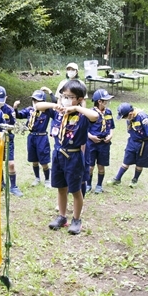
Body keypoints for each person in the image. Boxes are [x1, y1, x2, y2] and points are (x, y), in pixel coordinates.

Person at [35, 80, 98, 235]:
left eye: (70, 97)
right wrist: (54, 105)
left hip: (74, 156)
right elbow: (37, 106)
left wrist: (76, 108)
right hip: (57, 154)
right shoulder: (57, 112)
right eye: (64, 96)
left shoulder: (82, 116)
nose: (66, 99)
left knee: (76, 190)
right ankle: (62, 217)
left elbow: (95, 116)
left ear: (79, 99)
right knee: (61, 188)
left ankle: (76, 219)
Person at [107, 103, 148, 188]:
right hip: (132, 141)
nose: (124, 119)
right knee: (126, 161)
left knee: (140, 163)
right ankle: (117, 179)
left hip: (144, 144)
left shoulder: (143, 117)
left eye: (124, 117)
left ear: (130, 114)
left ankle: (135, 179)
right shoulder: (130, 119)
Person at [13, 90, 52, 188]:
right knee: (34, 159)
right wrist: (15, 108)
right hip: (31, 137)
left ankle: (47, 179)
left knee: (44, 160)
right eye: (34, 100)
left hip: (42, 137)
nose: (35, 102)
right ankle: (37, 178)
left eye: (38, 101)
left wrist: (50, 94)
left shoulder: (46, 111)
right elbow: (19, 115)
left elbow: (54, 105)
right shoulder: (30, 110)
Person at [0, 86, 23, 197]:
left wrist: (6, 128)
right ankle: (1, 183)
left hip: (8, 139)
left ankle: (13, 186)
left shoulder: (9, 110)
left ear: (6, 98)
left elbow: (13, 125)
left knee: (11, 163)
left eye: (0, 101)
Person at [86, 89, 115, 194]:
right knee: (90, 166)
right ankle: (88, 184)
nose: (107, 102)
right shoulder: (90, 113)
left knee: (101, 166)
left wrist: (111, 135)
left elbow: (111, 126)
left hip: (104, 144)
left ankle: (99, 185)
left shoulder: (108, 112)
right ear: (99, 101)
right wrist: (91, 137)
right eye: (105, 100)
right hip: (92, 143)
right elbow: (85, 129)